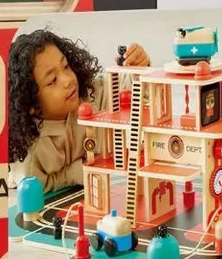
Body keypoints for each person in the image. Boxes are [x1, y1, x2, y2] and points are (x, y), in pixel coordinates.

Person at [8, 29, 149, 192]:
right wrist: (74, 173)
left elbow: (130, 86)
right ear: (29, 101)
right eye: (52, 80)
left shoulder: (89, 94)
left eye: (66, 66)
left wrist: (138, 67)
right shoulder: (31, 151)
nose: (68, 80)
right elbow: (34, 186)